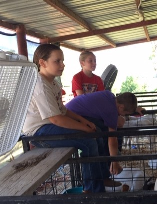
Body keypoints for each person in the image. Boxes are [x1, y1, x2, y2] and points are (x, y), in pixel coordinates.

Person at [22, 43, 121, 193]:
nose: (62, 65)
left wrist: (85, 121)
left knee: (99, 131)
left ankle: (102, 176)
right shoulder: (40, 85)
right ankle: (93, 191)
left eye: (62, 61)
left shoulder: (53, 83)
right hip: (39, 132)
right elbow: (56, 119)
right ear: (42, 62)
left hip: (49, 126)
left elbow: (63, 110)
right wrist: (84, 127)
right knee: (88, 141)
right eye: (57, 61)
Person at [65, 90, 139, 161]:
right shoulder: (111, 110)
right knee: (102, 132)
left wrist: (135, 110)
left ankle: (106, 158)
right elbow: (112, 137)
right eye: (125, 114)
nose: (123, 115)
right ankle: (108, 159)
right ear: (121, 107)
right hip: (71, 117)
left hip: (71, 111)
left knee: (103, 128)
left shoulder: (109, 95)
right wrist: (115, 161)